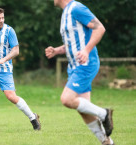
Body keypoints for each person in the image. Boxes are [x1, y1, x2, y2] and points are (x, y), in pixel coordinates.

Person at [45, 0, 114, 144]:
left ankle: (104, 113)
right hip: (74, 66)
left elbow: (100, 28)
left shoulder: (76, 8)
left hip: (85, 64)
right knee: (84, 110)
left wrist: (87, 50)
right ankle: (107, 142)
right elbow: (72, 43)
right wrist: (57, 50)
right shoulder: (66, 13)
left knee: (67, 99)